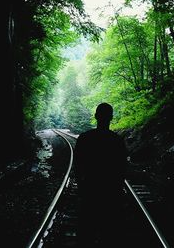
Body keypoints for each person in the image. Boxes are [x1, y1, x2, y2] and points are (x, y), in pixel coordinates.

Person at [74, 102, 128, 247]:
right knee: (109, 236)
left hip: (89, 192)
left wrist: (81, 186)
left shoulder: (84, 138)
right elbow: (122, 169)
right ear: (111, 118)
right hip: (111, 194)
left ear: (96, 116)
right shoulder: (117, 141)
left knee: (86, 235)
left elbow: (77, 166)